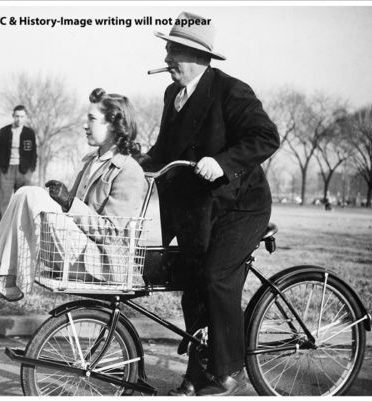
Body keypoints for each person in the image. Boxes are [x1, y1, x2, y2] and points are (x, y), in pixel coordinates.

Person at [139, 12, 280, 396]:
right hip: (199, 211)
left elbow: (266, 137)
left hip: (241, 206)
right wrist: (136, 163)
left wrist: (222, 162)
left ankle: (228, 369)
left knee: (217, 277)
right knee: (192, 286)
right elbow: (165, 150)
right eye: (168, 48)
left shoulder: (231, 91)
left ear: (199, 56)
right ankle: (198, 369)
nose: (168, 57)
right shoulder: (173, 95)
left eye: (175, 50)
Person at [0, 88, 145, 301]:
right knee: (25, 192)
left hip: (98, 264)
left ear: (112, 125)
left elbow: (112, 233)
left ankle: (0, 279)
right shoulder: (91, 161)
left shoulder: (129, 170)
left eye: (92, 119)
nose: (85, 125)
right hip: (76, 252)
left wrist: (68, 202)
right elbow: (71, 214)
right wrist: (65, 203)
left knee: (33, 194)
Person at [0, 105, 37, 232]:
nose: (19, 119)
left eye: (22, 116)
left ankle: (21, 238)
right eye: (17, 116)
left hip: (23, 172)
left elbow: (33, 154)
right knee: (2, 206)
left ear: (25, 117)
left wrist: (30, 171)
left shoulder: (29, 133)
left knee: (23, 206)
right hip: (6, 171)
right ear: (13, 116)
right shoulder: (4, 132)